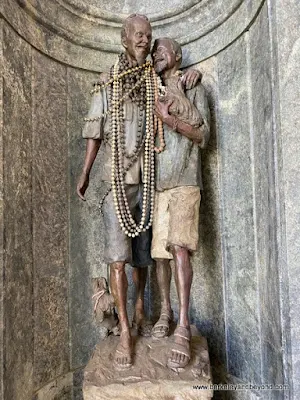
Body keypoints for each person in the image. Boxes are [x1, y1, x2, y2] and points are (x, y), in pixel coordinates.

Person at [77, 15, 201, 369]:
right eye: (139, 35)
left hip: (148, 184)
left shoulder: (154, 81)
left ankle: (141, 307)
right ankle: (127, 332)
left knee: (142, 255)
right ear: (124, 39)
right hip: (115, 183)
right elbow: (94, 129)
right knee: (117, 259)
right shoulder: (108, 81)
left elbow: (180, 85)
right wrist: (85, 172)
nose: (145, 40)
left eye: (149, 35)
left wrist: (193, 75)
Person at [151, 37, 210, 369]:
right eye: (154, 52)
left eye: (163, 52)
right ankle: (165, 311)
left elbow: (204, 135)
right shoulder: (154, 87)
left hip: (186, 180)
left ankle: (184, 324)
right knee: (160, 254)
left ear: (177, 56)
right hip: (160, 185)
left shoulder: (193, 86)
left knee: (180, 248)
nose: (157, 55)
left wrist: (172, 119)